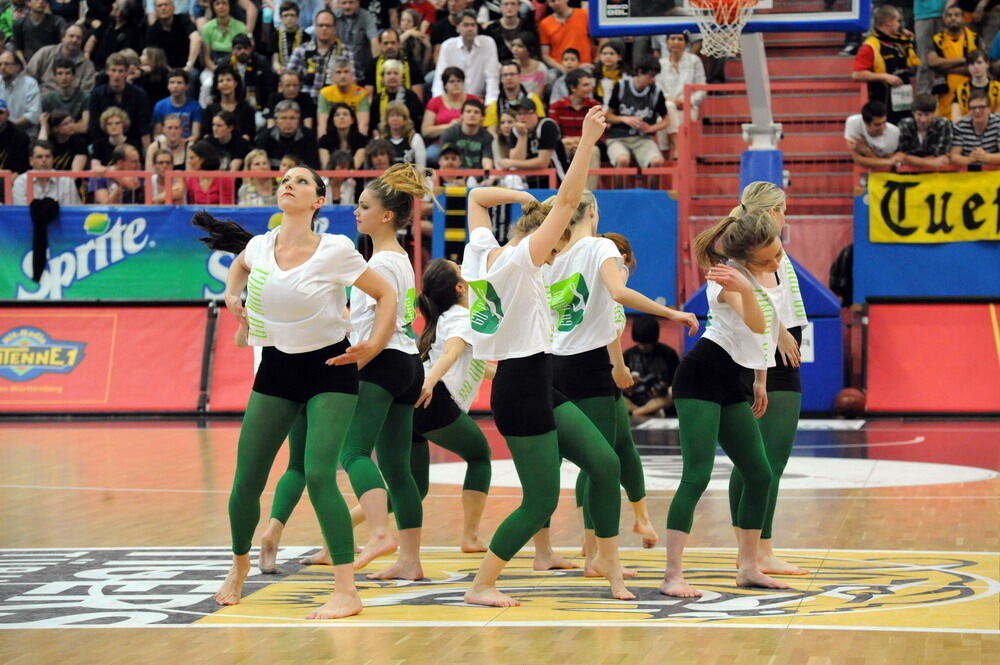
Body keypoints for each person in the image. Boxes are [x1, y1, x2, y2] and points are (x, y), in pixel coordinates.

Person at [460, 106, 635, 607]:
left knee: (604, 463)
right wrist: (585, 141)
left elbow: (476, 198)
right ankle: (482, 584)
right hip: (520, 385)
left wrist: (518, 195)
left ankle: (609, 567)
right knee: (540, 499)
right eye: (555, 249)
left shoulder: (479, 250)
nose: (554, 257)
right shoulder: (519, 259)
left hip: (539, 379)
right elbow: (569, 199)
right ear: (545, 241)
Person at [210, 164, 399, 620]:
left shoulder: (335, 249)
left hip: (329, 367)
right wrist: (232, 296)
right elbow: (237, 269)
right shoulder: (258, 246)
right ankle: (238, 567)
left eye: (300, 181)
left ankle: (346, 590)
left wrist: (372, 345)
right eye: (285, 180)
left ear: (318, 200)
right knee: (247, 480)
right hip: (276, 367)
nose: (288, 185)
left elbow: (387, 294)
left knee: (318, 473)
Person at [259, 163, 434, 579]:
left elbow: (382, 321)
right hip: (407, 362)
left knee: (352, 452)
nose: (357, 212)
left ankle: (377, 533)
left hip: (383, 361)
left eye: (364, 206)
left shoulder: (381, 262)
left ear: (386, 215)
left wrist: (359, 361)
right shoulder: (397, 257)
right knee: (398, 469)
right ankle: (409, 561)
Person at [543, 190, 698, 574]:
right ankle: (597, 556)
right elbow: (619, 293)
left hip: (553, 364)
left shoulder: (554, 257)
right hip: (587, 366)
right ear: (593, 211)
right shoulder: (600, 250)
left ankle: (564, 548)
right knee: (602, 465)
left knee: (581, 460)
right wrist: (670, 313)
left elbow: (596, 312)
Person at [660, 208, 790, 599]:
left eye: (778, 250)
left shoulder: (765, 266)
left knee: (759, 473)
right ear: (746, 259)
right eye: (767, 259)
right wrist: (748, 289)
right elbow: (755, 323)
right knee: (696, 476)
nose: (777, 261)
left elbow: (761, 334)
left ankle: (749, 568)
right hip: (701, 376)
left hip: (733, 377)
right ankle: (671, 576)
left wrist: (760, 378)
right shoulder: (725, 278)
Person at [725, 181, 812, 578]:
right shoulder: (753, 250)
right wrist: (779, 334)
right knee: (769, 460)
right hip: (770, 359)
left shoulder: (755, 246)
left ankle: (750, 550)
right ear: (772, 211)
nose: (786, 216)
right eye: (784, 209)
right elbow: (756, 302)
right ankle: (762, 550)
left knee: (751, 462)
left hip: (763, 354)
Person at [408, 257, 493, 553]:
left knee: (414, 489)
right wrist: (431, 381)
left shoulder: (446, 318)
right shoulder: (460, 316)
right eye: (458, 267)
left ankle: (339, 531)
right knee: (480, 455)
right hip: (434, 398)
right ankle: (470, 537)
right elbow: (454, 351)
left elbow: (479, 365)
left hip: (416, 403)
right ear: (459, 286)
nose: (463, 267)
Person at [852, 4, 921, 125]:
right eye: (898, 21)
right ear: (888, 21)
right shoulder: (870, 45)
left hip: (904, 101)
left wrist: (909, 43)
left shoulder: (898, 42)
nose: (900, 25)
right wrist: (885, 77)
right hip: (883, 103)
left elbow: (911, 66)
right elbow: (857, 74)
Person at [605, 57, 669, 170]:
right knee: (622, 160)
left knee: (656, 161)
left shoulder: (656, 91)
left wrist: (652, 128)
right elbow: (608, 116)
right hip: (618, 137)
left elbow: (667, 120)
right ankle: (619, 188)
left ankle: (653, 188)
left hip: (643, 138)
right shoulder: (621, 86)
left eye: (655, 76)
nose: (653, 80)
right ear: (639, 72)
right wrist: (624, 119)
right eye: (650, 76)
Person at [285, 8, 355, 102]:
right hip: (305, 104)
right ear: (315, 27)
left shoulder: (345, 52)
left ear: (335, 28)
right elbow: (287, 80)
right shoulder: (300, 51)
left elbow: (352, 82)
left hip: (334, 103)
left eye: (328, 26)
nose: (324, 29)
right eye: (321, 25)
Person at [432, 10, 499, 105]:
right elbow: (440, 78)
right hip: (453, 100)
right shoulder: (448, 46)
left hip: (479, 100)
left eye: (473, 25)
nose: (470, 29)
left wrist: (491, 104)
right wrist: (439, 104)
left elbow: (492, 77)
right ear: (457, 28)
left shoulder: (488, 43)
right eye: (466, 25)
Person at [87, 52, 152, 150]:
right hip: (104, 144)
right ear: (107, 71)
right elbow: (95, 128)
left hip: (132, 144)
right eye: (113, 70)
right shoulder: (97, 94)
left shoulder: (139, 94)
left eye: (120, 71)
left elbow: (144, 128)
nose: (116, 75)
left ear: (126, 73)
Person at [656, 32, 706, 155]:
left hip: (688, 107)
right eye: (672, 38)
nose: (676, 42)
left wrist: (689, 101)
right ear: (667, 43)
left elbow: (701, 88)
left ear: (686, 43)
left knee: (661, 119)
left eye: (680, 39)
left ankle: (666, 150)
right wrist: (672, 100)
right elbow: (658, 89)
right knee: (666, 108)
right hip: (668, 105)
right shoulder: (661, 63)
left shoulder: (694, 60)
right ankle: (677, 145)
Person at [548, 67, 600, 185]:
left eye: (590, 85)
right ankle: (563, 190)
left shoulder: (595, 106)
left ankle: (589, 193)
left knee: (594, 151)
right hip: (565, 144)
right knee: (557, 150)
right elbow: (554, 132)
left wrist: (582, 141)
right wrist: (565, 141)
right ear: (573, 88)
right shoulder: (556, 106)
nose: (590, 88)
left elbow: (598, 132)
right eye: (585, 85)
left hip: (586, 143)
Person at [928, 4, 982, 117]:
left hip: (970, 93)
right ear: (944, 19)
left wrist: (944, 67)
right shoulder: (936, 39)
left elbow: (978, 68)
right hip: (944, 95)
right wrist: (964, 60)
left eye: (957, 15)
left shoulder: (975, 38)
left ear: (963, 18)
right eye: (949, 15)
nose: (953, 18)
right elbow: (932, 63)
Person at [499, 97, 567, 186]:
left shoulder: (547, 125)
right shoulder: (516, 131)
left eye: (526, 113)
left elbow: (543, 163)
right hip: (530, 182)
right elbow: (517, 160)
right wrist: (522, 136)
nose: (522, 117)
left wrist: (511, 163)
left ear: (535, 114)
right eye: (519, 114)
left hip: (557, 180)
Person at [622, 316, 680, 418]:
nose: (644, 347)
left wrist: (662, 387)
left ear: (654, 340)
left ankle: (638, 413)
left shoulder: (668, 354)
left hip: (660, 400)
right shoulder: (628, 355)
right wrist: (629, 384)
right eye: (640, 343)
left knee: (673, 392)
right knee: (615, 396)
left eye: (647, 344)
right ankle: (644, 412)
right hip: (635, 399)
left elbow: (677, 383)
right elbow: (620, 385)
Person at [421, 66, 481, 164]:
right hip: (441, 144)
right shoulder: (435, 102)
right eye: (452, 81)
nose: (456, 84)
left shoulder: (473, 100)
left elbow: (482, 123)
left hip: (469, 142)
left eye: (459, 81)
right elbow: (426, 131)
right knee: (429, 155)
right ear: (445, 85)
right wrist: (449, 127)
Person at [25, 22, 94, 95]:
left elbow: (85, 93)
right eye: (71, 36)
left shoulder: (87, 66)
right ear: (62, 38)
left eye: (78, 38)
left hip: (71, 103)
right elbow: (28, 76)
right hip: (41, 99)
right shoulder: (45, 53)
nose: (74, 40)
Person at [255, 98, 319, 168]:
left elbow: (313, 166)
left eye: (292, 118)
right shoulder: (264, 137)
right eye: (283, 118)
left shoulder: (308, 136)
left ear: (299, 120)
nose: (288, 122)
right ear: (276, 121)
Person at [12, 138, 80, 203]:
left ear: (53, 159)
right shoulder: (21, 182)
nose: (44, 160)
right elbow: (20, 212)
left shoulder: (66, 181)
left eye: (47, 156)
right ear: (31, 161)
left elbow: (71, 211)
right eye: (39, 157)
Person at [483, 59, 544, 131]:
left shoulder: (532, 98)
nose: (509, 78)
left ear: (520, 76)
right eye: (505, 75)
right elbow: (491, 131)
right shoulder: (494, 104)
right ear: (501, 79)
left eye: (512, 74)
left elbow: (540, 123)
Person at [368, 58, 424, 135]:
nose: (392, 77)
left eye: (396, 73)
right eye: (388, 73)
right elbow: (373, 124)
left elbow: (416, 121)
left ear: (402, 78)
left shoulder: (410, 96)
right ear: (383, 78)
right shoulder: (378, 98)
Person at [368, 28, 425, 103]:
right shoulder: (372, 65)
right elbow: (368, 97)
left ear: (399, 44)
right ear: (380, 45)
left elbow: (418, 97)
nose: (389, 46)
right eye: (385, 43)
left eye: (393, 43)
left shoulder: (412, 64)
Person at [317, 57, 370, 136]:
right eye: (338, 72)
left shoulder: (361, 93)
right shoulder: (325, 93)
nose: (343, 76)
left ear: (352, 75)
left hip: (354, 135)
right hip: (332, 135)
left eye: (346, 72)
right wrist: (323, 144)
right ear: (332, 76)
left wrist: (359, 144)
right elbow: (322, 125)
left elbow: (363, 125)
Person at [898, 92, 954, 168]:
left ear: (934, 113)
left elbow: (941, 155)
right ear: (913, 113)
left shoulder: (943, 124)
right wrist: (932, 163)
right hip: (909, 172)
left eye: (927, 115)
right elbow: (902, 156)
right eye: (919, 114)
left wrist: (913, 160)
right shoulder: (904, 124)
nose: (923, 120)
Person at [145, 0, 202, 73]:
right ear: (155, 10)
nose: (163, 8)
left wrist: (189, 65)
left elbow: (196, 38)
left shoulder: (184, 20)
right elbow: (153, 54)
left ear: (173, 8)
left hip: (187, 68)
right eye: (159, 6)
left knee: (193, 74)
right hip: (165, 70)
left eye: (166, 5)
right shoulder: (152, 30)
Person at [845, 100, 904, 169]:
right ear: (866, 123)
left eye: (884, 122)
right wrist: (887, 161)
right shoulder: (853, 122)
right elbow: (857, 159)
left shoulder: (894, 132)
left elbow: (890, 163)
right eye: (877, 124)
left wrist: (867, 152)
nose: (882, 127)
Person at [538, 0, 592, 73]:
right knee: (551, 76)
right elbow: (545, 55)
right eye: (550, 1)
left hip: (584, 64)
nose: (554, 4)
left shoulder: (584, 14)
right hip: (559, 66)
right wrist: (562, 68)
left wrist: (596, 62)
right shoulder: (544, 24)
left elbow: (602, 40)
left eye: (556, 0)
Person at [204, 64, 257, 140]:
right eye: (221, 81)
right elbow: (206, 133)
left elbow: (250, 134)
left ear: (235, 83)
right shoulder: (211, 108)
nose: (225, 83)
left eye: (229, 80)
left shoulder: (246, 108)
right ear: (217, 86)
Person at [438, 98, 493, 170]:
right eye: (468, 111)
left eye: (476, 112)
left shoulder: (487, 136)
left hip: (478, 177)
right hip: (454, 175)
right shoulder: (449, 133)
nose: (472, 115)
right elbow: (444, 161)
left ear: (482, 117)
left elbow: (487, 161)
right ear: (461, 115)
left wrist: (487, 177)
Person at [950, 88, 1000, 165]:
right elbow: (953, 156)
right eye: (973, 108)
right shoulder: (959, 126)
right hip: (967, 172)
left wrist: (986, 157)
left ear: (989, 108)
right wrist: (969, 159)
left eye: (982, 107)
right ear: (968, 111)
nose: (977, 111)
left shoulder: (998, 122)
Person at [332, 0, 377, 84]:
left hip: (361, 67)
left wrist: (377, 65)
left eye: (351, 2)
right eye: (344, 3)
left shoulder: (366, 16)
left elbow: (374, 40)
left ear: (358, 3)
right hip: (339, 66)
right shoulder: (333, 16)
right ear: (339, 4)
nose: (347, 6)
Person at [39, 58, 88, 132]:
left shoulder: (85, 97)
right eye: (60, 73)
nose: (64, 78)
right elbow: (47, 130)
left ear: (73, 76)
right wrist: (75, 126)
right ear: (55, 77)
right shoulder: (47, 99)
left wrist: (58, 128)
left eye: (67, 73)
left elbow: (85, 128)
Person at [0, 49, 40, 137]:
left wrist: (8, 127)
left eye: (6, 64)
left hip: (24, 135)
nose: (2, 67)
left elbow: (33, 115)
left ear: (17, 67)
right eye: (0, 64)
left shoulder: (30, 84)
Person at [13, 0, 66, 66]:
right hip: (28, 62)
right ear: (28, 3)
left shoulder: (57, 22)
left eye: (44, 0)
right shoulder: (19, 23)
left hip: (51, 61)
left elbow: (64, 43)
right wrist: (23, 62)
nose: (41, 2)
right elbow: (18, 48)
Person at [152, 68, 202, 138]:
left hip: (187, 143)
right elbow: (157, 134)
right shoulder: (160, 106)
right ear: (168, 86)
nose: (175, 86)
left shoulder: (195, 106)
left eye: (179, 83)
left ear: (186, 86)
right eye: (172, 82)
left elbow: (195, 135)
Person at [953, 49, 1000, 118]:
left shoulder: (998, 88)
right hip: (965, 127)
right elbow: (955, 118)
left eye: (979, 62)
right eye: (971, 64)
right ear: (968, 67)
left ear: (987, 64)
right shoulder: (960, 90)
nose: (976, 67)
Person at [318, 101, 366, 168]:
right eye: (337, 115)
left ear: (352, 120)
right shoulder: (324, 141)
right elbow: (327, 167)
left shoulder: (362, 140)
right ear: (333, 121)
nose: (341, 117)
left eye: (345, 114)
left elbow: (355, 167)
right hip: (331, 177)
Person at [379, 100, 425, 168]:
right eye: (391, 116)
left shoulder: (415, 138)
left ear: (405, 119)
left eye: (398, 115)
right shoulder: (381, 140)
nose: (395, 119)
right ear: (386, 119)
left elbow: (421, 167)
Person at [508, 31, 546, 98]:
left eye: (520, 46)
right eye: (513, 45)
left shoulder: (540, 68)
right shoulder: (508, 67)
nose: (515, 49)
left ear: (530, 48)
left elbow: (538, 96)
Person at [271, 0, 305, 77]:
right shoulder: (275, 36)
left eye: (292, 15)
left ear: (297, 17)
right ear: (280, 18)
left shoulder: (305, 36)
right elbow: (275, 60)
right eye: (285, 15)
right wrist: (279, 68)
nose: (289, 18)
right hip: (281, 72)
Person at [593, 39, 628, 107]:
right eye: (604, 53)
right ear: (600, 56)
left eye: (612, 53)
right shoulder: (595, 74)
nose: (607, 56)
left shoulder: (625, 77)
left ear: (619, 57)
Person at [0, 99, 31, 175]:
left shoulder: (20, 137)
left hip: (10, 181)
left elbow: (21, 169)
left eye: (0, 113)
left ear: (8, 114)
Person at [398, 7, 431, 72]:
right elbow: (396, 44)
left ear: (415, 24)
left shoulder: (419, 37)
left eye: (409, 21)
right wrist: (409, 32)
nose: (405, 23)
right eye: (403, 20)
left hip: (416, 72)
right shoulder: (396, 34)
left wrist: (428, 47)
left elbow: (425, 65)